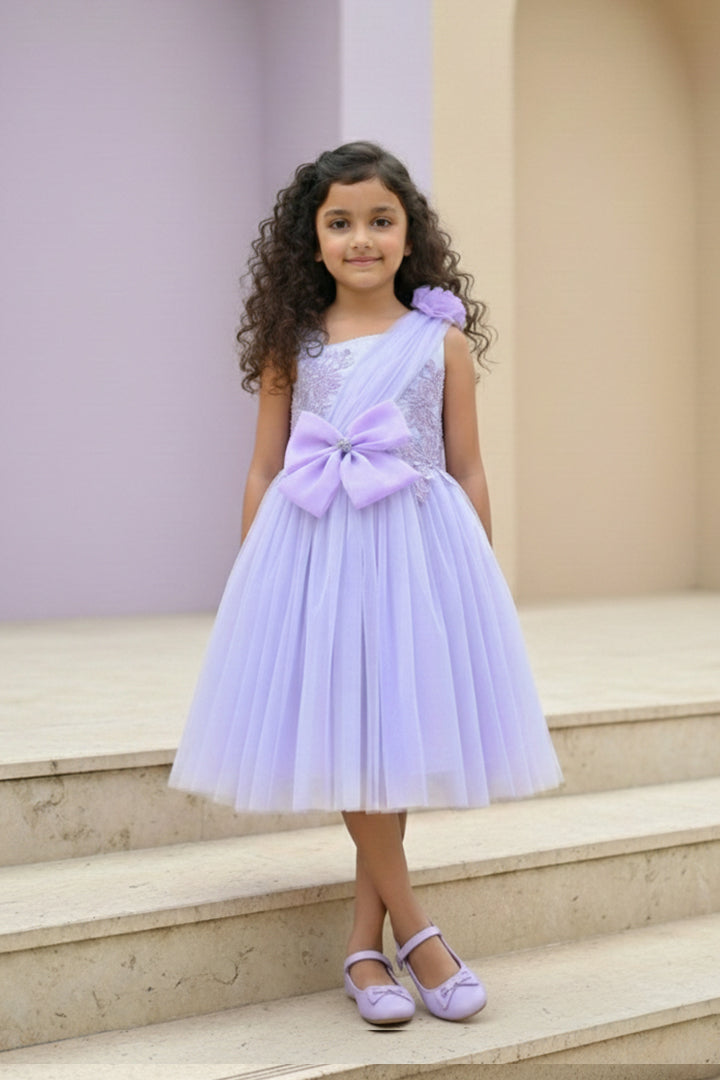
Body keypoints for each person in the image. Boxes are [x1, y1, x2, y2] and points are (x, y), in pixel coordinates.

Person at [169, 141, 563, 1026]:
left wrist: (478, 582)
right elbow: (264, 468)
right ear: (311, 241)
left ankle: (361, 946)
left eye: (379, 221)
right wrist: (257, 580)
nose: (361, 238)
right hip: (317, 553)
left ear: (407, 233)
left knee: (389, 731)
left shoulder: (442, 343)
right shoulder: (294, 344)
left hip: (417, 555)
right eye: (339, 223)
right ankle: (415, 933)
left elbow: (466, 468)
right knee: (353, 724)